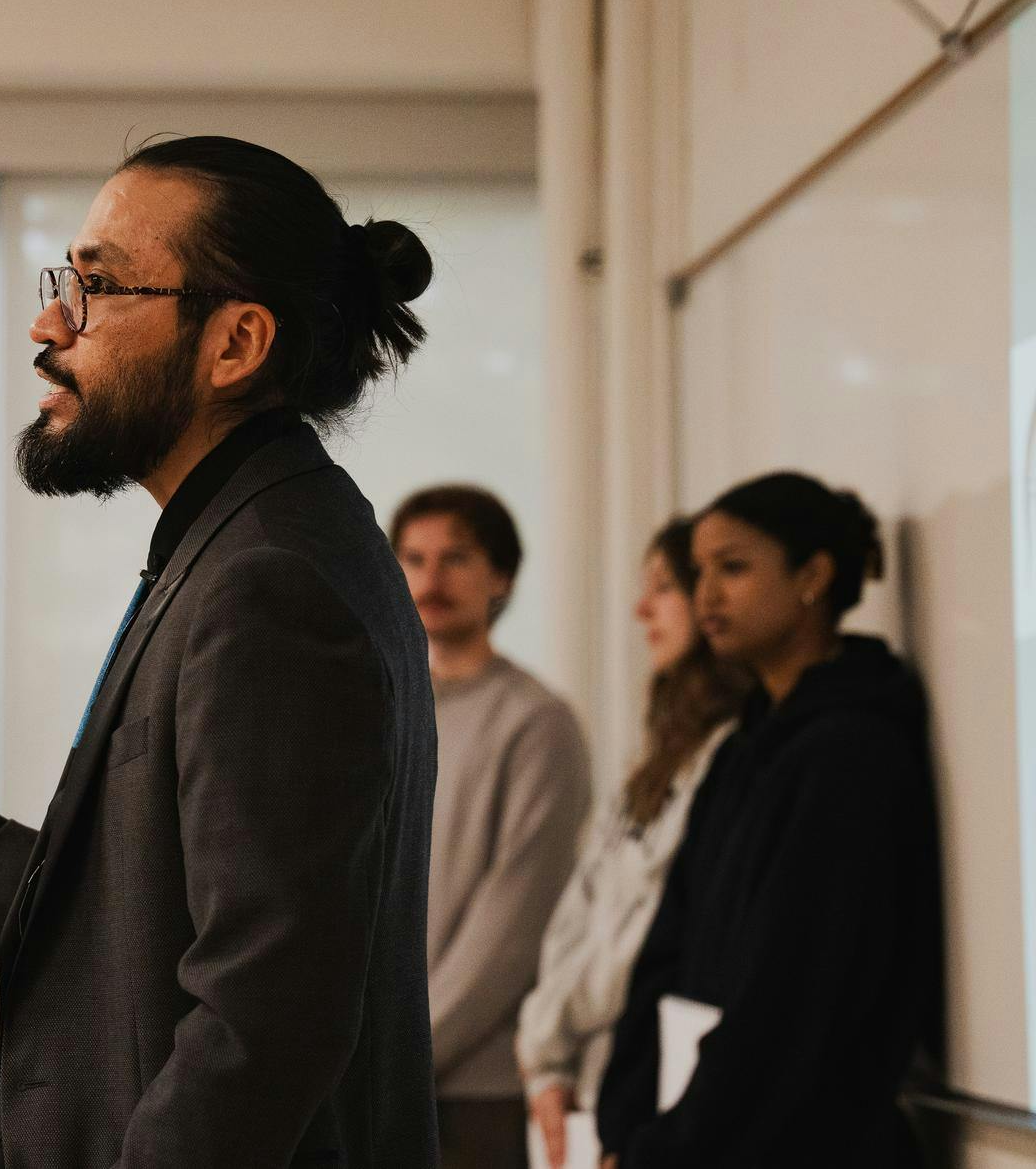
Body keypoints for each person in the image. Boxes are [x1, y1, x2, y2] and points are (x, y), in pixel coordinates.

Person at [0, 135, 442, 1168]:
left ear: (234, 344)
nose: (47, 326)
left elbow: (263, 1019)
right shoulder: (246, 536)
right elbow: (168, 918)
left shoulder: (270, 582)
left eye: (94, 286)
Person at [595, 472, 943, 1169]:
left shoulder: (853, 753)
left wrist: (668, 1149)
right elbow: (669, 950)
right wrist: (626, 1122)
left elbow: (792, 996)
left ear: (813, 575)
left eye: (733, 567)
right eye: (699, 572)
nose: (707, 596)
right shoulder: (743, 748)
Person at [517, 517, 747, 1169]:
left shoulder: (731, 754)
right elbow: (581, 909)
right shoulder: (661, 755)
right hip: (588, 1072)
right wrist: (545, 1053)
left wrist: (551, 1033)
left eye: (664, 587)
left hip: (650, 1075)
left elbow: (647, 935)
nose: (642, 609)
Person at [392, 484, 593, 1169]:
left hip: (475, 1087)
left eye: (456, 557)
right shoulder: (386, 710)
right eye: (414, 558)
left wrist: (401, 1051)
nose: (431, 578)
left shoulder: (537, 722)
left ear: (500, 574)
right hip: (380, 1072)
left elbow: (513, 926)